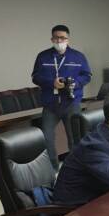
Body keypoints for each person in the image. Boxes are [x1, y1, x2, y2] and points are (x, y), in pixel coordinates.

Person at [31, 24, 92, 169]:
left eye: (62, 38)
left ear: (68, 39)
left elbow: (87, 76)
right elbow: (35, 77)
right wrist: (51, 83)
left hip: (71, 102)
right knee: (46, 138)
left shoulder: (78, 56)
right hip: (50, 104)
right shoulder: (43, 56)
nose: (59, 41)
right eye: (56, 38)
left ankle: (76, 169)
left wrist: (75, 83)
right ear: (51, 39)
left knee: (75, 138)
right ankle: (53, 169)